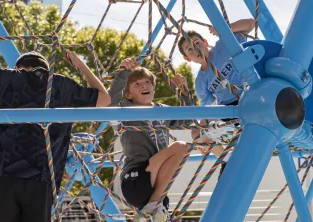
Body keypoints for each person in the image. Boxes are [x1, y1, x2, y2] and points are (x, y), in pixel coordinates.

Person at [0, 30, 111, 222]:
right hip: (42, 177)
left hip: (4, 174)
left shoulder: (8, 78)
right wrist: (79, 63)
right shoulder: (62, 84)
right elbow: (105, 99)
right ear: (47, 70)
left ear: (18, 68)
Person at [108, 57, 193, 221]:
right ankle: (153, 204)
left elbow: (188, 119)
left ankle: (153, 206)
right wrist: (124, 71)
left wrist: (184, 91)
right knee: (181, 146)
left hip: (158, 187)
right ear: (128, 94)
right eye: (137, 84)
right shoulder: (125, 110)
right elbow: (109, 103)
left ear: (153, 88)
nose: (144, 86)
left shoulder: (162, 111)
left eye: (147, 82)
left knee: (182, 149)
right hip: (136, 178)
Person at [178, 19, 255, 177]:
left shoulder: (223, 46)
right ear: (187, 58)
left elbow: (251, 24)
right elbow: (204, 110)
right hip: (228, 110)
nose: (195, 49)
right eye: (189, 49)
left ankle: (230, 161)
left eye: (197, 43)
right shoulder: (201, 80)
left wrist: (226, 29)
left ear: (206, 42)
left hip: (248, 96)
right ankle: (227, 159)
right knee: (196, 134)